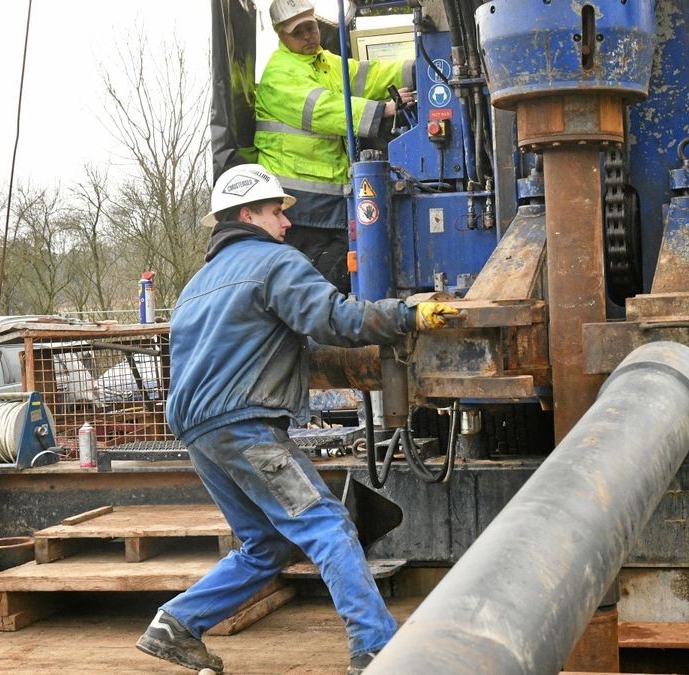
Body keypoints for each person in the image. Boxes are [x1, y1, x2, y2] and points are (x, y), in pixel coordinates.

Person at [135, 164, 457, 675]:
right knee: (328, 527)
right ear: (248, 215)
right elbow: (334, 319)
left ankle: (176, 624)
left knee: (268, 545)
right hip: (245, 427)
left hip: (198, 433)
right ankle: (375, 647)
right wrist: (406, 315)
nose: (286, 223)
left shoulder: (197, 285)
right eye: (275, 212)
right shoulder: (275, 263)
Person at [255, 0, 416, 294]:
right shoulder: (279, 76)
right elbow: (325, 110)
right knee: (321, 282)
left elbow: (371, 76)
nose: (308, 36)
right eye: (298, 32)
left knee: (338, 273)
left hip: (328, 195)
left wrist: (420, 69)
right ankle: (318, 337)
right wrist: (383, 110)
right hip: (300, 199)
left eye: (311, 27)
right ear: (280, 35)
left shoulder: (325, 62)